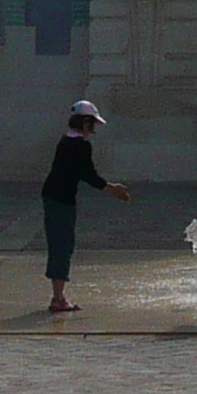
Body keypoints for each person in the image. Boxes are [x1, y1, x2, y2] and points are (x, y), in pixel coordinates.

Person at [39, 98, 132, 313]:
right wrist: (112, 189)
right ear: (85, 123)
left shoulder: (65, 140)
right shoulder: (80, 145)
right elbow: (87, 174)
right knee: (62, 245)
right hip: (61, 200)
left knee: (59, 243)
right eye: (92, 124)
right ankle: (58, 298)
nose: (94, 130)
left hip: (53, 196)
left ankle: (58, 295)